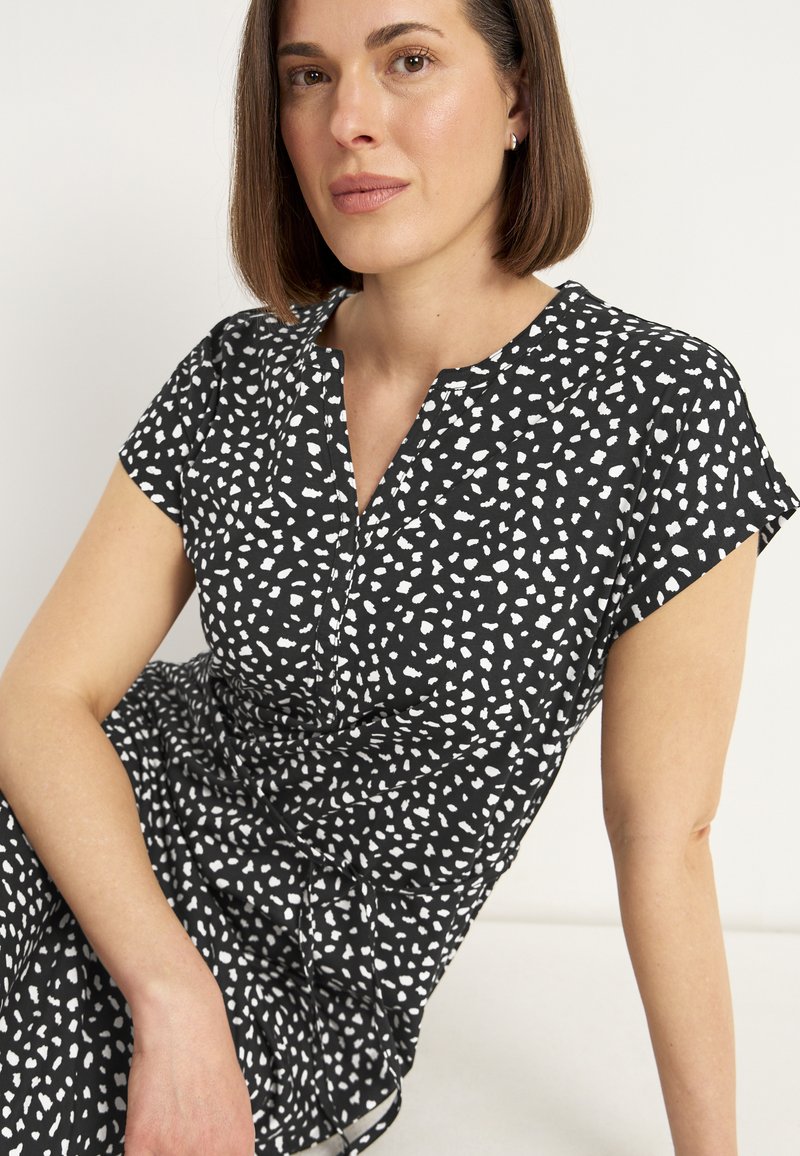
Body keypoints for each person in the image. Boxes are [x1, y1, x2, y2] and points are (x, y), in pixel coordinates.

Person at [0, 0, 797, 1154]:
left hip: (310, 993)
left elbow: (662, 833)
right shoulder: (238, 369)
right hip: (93, 842)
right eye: (306, 76)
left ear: (519, 97)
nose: (348, 121)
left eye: (407, 60)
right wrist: (168, 992)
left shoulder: (655, 408)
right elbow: (39, 698)